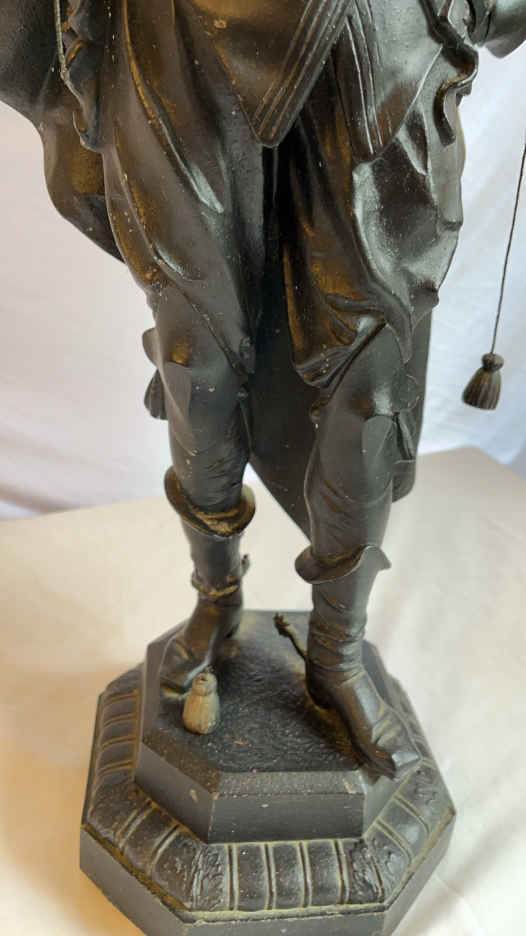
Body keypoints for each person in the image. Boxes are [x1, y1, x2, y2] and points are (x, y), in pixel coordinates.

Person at [2, 0, 525, 778]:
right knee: (196, 362)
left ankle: (337, 649)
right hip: (174, 30)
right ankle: (215, 597)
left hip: (378, 34)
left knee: (370, 382)